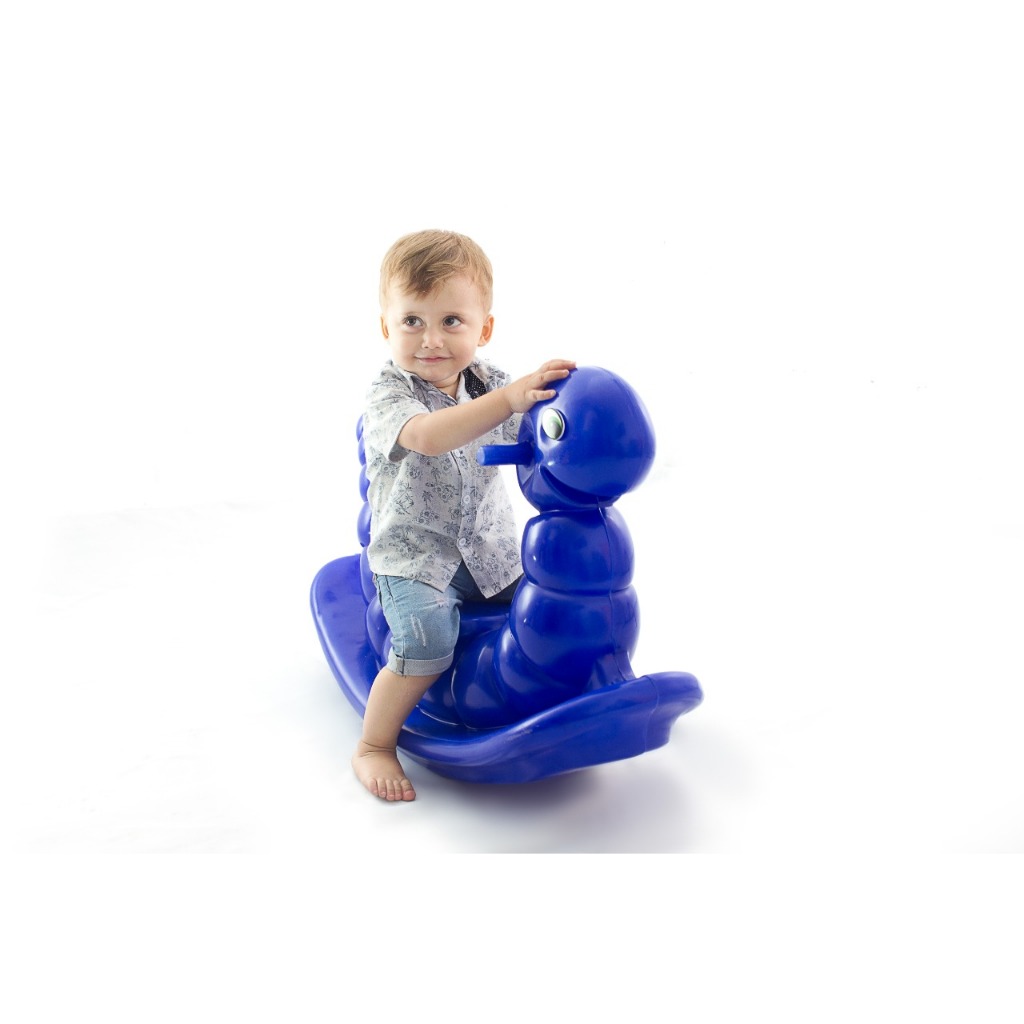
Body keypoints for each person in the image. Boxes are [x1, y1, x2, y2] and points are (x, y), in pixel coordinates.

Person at [354, 229, 575, 801]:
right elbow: (428, 437)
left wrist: (561, 411)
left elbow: (534, 433)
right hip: (415, 560)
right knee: (427, 645)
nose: (431, 339)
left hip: (489, 552)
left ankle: (563, 693)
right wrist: (507, 401)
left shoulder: (490, 382)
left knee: (554, 605)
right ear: (386, 327)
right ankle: (374, 744)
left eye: (451, 320)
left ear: (484, 329)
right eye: (412, 321)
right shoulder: (388, 393)